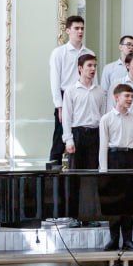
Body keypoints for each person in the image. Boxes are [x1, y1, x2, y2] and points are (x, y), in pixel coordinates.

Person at [99, 83, 133, 251]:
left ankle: (128, 239)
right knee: (114, 200)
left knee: (129, 200)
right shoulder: (106, 119)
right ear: (116, 97)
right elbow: (103, 146)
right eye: (127, 96)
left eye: (132, 96)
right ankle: (114, 238)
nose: (130, 99)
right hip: (113, 157)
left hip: (129, 157)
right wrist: (104, 170)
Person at [49, 15, 91, 165]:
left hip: (85, 95)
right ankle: (53, 179)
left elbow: (94, 79)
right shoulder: (59, 53)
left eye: (82, 28)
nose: (80, 31)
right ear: (68, 30)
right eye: (76, 28)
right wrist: (59, 105)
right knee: (60, 137)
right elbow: (55, 81)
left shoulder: (89, 53)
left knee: (81, 136)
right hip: (65, 94)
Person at [61, 54, 105, 171]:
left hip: (95, 134)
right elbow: (66, 117)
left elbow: (103, 114)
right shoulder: (71, 91)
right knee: (75, 172)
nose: (93, 69)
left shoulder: (100, 91)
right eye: (89, 65)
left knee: (93, 170)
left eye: (95, 66)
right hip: (78, 133)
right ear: (80, 68)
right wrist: (68, 140)